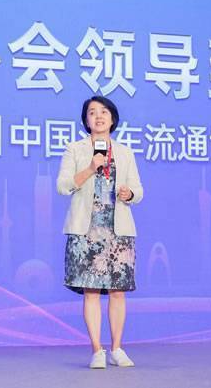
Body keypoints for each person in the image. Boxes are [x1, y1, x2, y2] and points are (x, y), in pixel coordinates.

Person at [56, 96, 143, 369]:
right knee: (91, 291)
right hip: (86, 231)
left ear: (113, 118)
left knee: (117, 292)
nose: (99, 116)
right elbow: (63, 186)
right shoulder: (75, 149)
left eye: (104, 112)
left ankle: (117, 348)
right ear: (86, 120)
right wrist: (91, 168)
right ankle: (97, 350)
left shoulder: (125, 152)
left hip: (118, 231)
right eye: (92, 112)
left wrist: (130, 194)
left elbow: (139, 190)